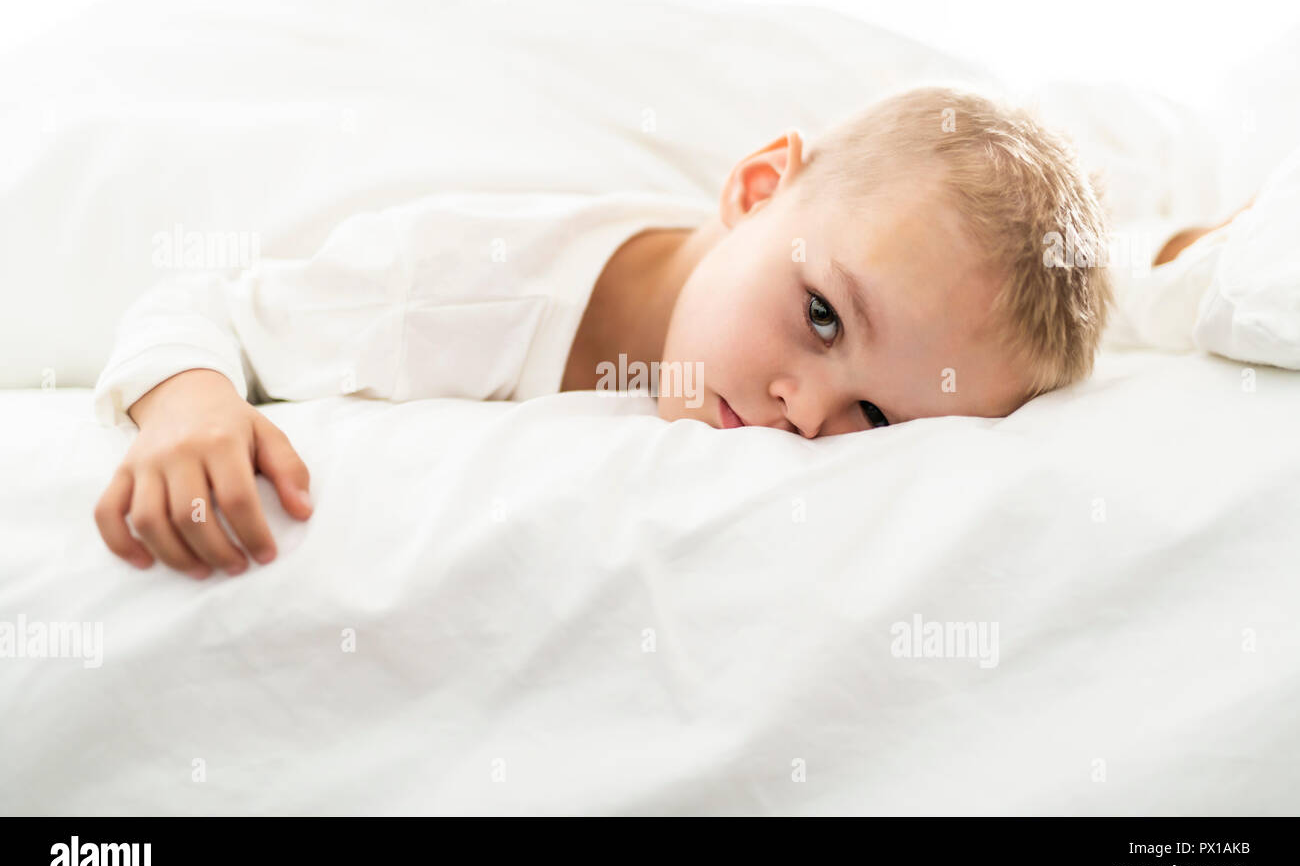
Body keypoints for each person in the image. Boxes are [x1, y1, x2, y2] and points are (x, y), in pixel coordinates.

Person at [93, 86, 1118, 577]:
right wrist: (188, 400)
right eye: (820, 317)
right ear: (757, 189)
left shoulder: (782, 287)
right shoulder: (451, 292)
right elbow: (202, 304)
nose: (801, 411)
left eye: (877, 416)